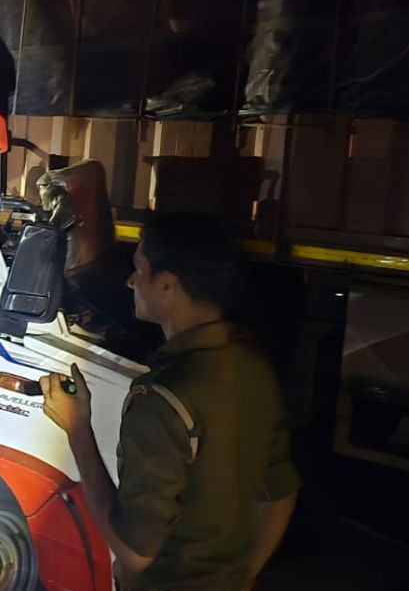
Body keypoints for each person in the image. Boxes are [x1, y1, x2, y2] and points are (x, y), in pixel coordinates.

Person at [40, 213, 300, 591]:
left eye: (138, 270)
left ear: (166, 284)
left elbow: (134, 551)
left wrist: (77, 429)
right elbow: (279, 495)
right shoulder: (254, 369)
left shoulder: (163, 396)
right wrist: (243, 576)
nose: (130, 281)